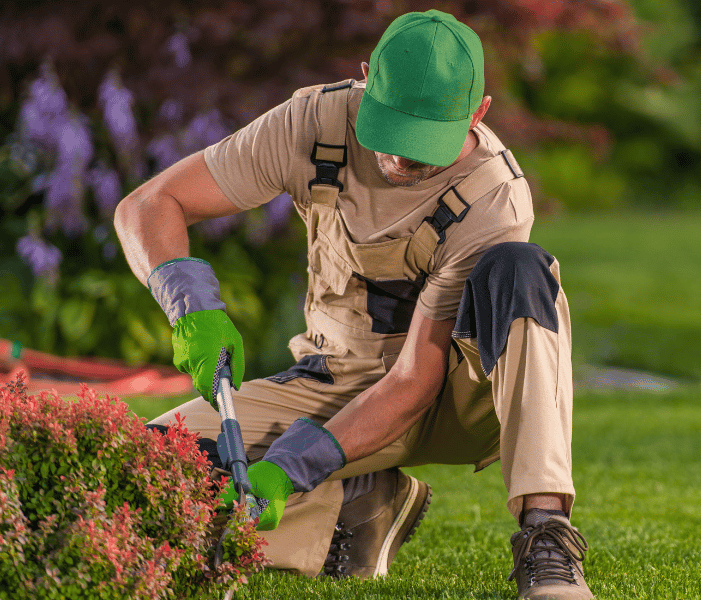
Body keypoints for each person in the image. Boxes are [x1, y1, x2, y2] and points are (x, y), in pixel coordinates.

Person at [114, 9, 592, 600]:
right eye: (391, 133)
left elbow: (416, 381)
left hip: (456, 396)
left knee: (522, 271)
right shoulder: (314, 121)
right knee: (139, 472)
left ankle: (546, 538)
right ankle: (354, 511)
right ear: (367, 79)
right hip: (332, 376)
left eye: (424, 142)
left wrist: (294, 463)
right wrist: (190, 307)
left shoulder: (495, 199)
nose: (401, 160)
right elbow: (149, 205)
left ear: (478, 114)